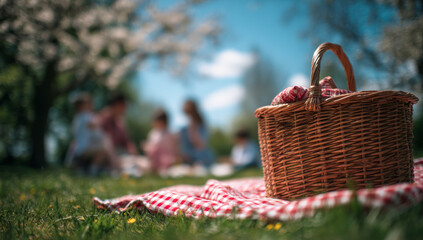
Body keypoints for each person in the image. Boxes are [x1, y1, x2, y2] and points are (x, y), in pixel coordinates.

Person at [67, 93, 117, 175]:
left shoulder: (77, 118)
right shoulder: (85, 116)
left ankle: (85, 169)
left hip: (78, 150)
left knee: (103, 145)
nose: (91, 104)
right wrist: (104, 116)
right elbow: (95, 126)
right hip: (83, 150)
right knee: (104, 149)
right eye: (88, 103)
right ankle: (93, 170)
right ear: (81, 106)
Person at [179, 99, 214, 169]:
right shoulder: (185, 129)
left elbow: (201, 145)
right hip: (190, 159)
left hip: (201, 158)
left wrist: (193, 131)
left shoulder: (200, 125)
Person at [143, 109, 175, 176]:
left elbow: (171, 149)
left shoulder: (169, 134)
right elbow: (150, 146)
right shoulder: (153, 133)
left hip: (165, 159)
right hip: (154, 159)